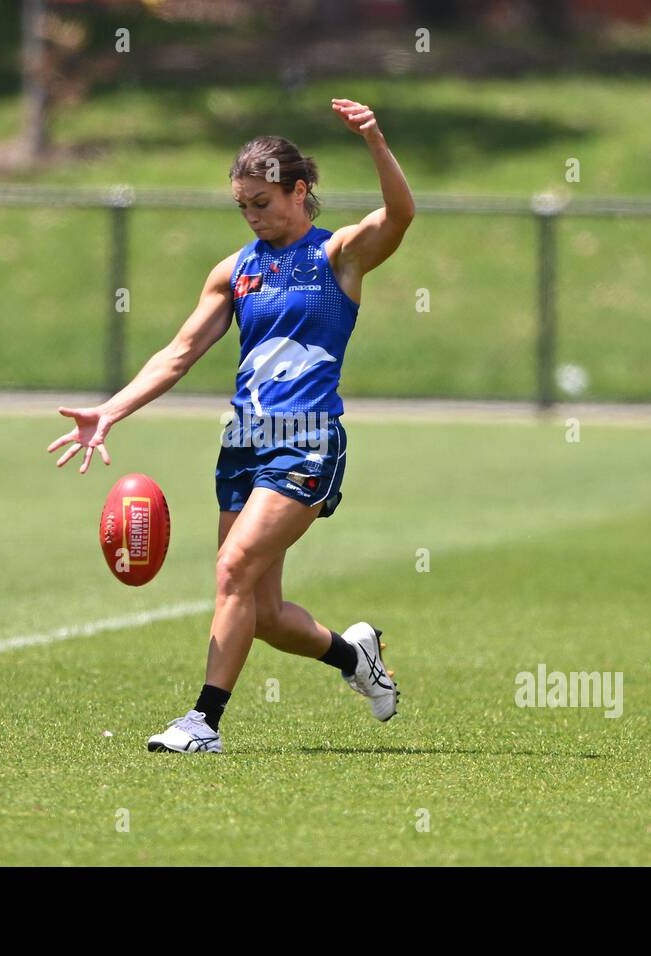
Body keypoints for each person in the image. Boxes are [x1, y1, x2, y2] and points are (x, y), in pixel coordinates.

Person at [48, 98, 415, 753]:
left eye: (262, 202)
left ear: (299, 191)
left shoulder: (339, 255)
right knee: (263, 612)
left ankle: (203, 723)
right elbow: (179, 353)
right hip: (243, 444)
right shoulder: (235, 270)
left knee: (233, 568)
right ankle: (355, 657)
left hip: (308, 440)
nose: (252, 216)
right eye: (242, 205)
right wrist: (110, 410)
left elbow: (400, 215)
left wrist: (375, 141)